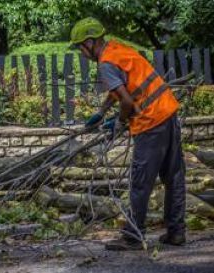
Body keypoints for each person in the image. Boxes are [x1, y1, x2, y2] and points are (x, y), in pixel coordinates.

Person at [70, 17, 186, 250]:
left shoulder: (105, 63)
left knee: (140, 181)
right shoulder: (117, 50)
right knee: (173, 176)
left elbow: (126, 101)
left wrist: (119, 122)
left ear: (90, 43)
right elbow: (124, 89)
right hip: (167, 111)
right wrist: (102, 112)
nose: (81, 53)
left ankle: (133, 236)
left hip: (150, 121)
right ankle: (176, 232)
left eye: (80, 47)